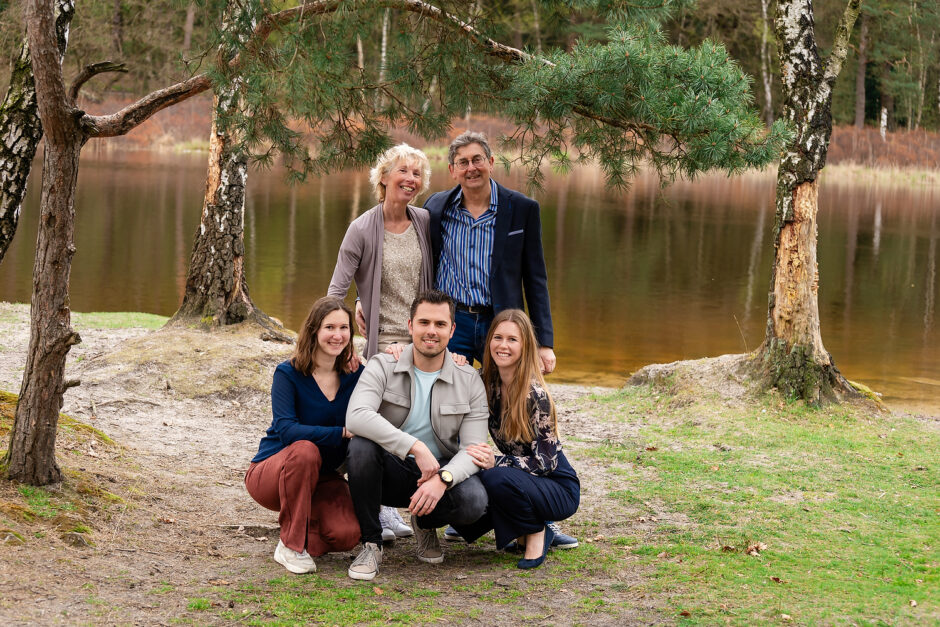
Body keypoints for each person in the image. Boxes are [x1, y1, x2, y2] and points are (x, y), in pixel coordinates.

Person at [425, 130, 578, 549]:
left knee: (517, 412)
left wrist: (543, 340)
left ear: (491, 163)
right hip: (454, 324)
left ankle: (539, 513)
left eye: (478, 160)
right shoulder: (436, 207)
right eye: (462, 162)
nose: (471, 168)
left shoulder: (520, 209)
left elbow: (537, 277)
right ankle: (465, 501)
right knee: (450, 410)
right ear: (452, 169)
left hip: (498, 323)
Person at [328, 143, 435, 542]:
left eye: (417, 174)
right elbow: (337, 290)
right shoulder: (361, 228)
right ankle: (383, 510)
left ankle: (425, 506)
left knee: (422, 422)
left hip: (423, 338)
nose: (411, 179)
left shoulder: (425, 221)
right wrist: (342, 341)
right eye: (403, 171)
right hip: (382, 343)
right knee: (384, 424)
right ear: (384, 177)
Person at [344, 291, 489, 581]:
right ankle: (371, 542)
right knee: (360, 447)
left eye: (439, 324)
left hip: (437, 475)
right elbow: (356, 415)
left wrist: (443, 479)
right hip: (390, 471)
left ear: (452, 329)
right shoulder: (382, 365)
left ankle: (424, 522)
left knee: (474, 501)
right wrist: (414, 447)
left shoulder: (469, 379)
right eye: (424, 322)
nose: (431, 331)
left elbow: (474, 448)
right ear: (410, 326)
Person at [244, 296, 362, 574]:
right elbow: (286, 430)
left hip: (322, 476)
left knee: (347, 535)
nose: (337, 335)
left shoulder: (356, 375)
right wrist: (342, 432)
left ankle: (299, 527)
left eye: (344, 328)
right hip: (275, 470)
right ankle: (290, 546)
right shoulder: (288, 373)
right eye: (329, 327)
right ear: (314, 331)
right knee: (305, 449)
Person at [459, 309, 580, 569]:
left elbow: (546, 464)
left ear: (525, 346)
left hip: (557, 485)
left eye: (512, 340)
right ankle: (518, 528)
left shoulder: (536, 395)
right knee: (463, 484)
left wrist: (497, 461)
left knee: (495, 476)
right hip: (521, 481)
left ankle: (536, 530)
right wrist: (454, 362)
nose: (503, 346)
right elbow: (452, 383)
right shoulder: (485, 384)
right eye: (498, 337)